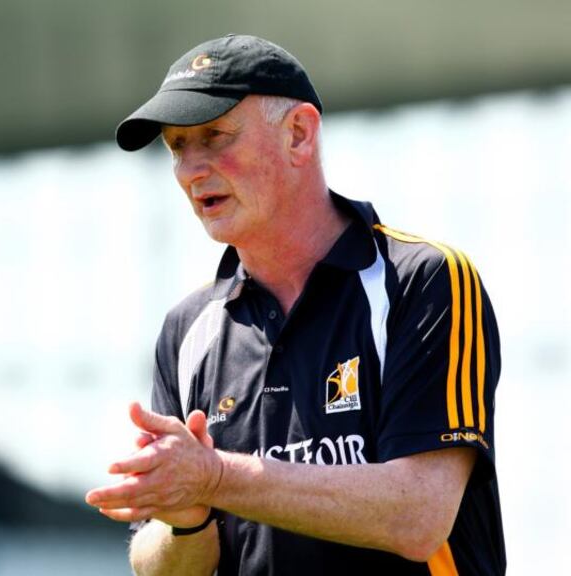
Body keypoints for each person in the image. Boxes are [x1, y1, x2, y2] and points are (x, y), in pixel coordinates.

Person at [84, 34, 505, 575]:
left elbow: (418, 515)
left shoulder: (423, 280)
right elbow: (158, 565)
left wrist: (214, 477)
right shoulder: (187, 330)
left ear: (299, 135)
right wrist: (186, 517)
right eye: (177, 147)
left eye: (215, 136)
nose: (191, 170)